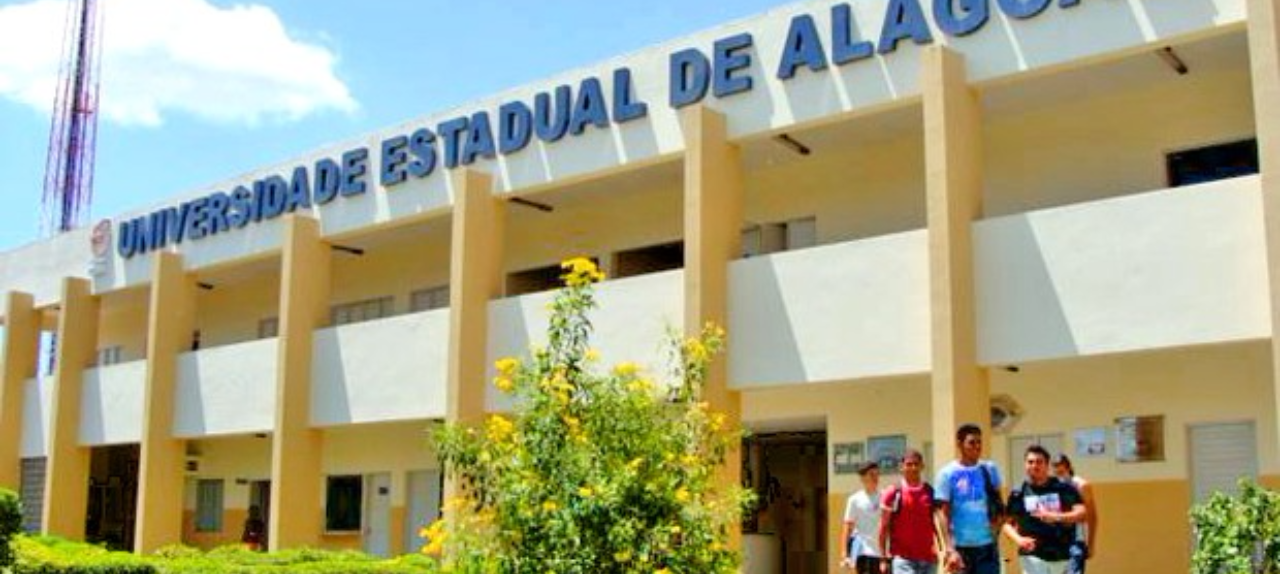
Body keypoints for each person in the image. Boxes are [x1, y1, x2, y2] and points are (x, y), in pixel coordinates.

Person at [1003, 446, 1086, 574]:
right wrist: (1018, 539)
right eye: (1030, 462)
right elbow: (1006, 523)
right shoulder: (1018, 493)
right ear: (1025, 465)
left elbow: (1081, 512)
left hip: (1062, 555)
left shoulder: (1063, 488)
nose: (1034, 465)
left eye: (1039, 462)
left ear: (1047, 465)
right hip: (1032, 556)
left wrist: (1056, 517)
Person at [935, 423, 1004, 574]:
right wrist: (949, 548)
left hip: (988, 547)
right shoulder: (947, 474)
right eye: (972, 442)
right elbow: (942, 513)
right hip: (960, 548)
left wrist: (997, 528)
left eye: (979, 442)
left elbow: (999, 502)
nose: (977, 446)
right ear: (959, 444)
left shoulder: (989, 469)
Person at [878, 450, 939, 574]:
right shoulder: (893, 493)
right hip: (903, 560)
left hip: (928, 560)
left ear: (922, 466)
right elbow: (883, 527)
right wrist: (883, 558)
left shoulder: (930, 491)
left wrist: (941, 549)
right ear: (901, 467)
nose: (913, 468)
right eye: (909, 464)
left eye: (916, 464)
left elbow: (936, 524)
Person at [1053, 454, 1097, 574]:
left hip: (1077, 540)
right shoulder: (1054, 486)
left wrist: (1091, 543)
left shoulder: (1081, 485)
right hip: (1058, 541)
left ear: (1069, 468)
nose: (1060, 475)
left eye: (1062, 471)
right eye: (1057, 473)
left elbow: (1092, 515)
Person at [841, 461, 886, 574]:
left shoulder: (885, 496)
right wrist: (844, 552)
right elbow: (847, 526)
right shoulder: (854, 500)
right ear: (862, 478)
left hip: (882, 553)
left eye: (877, 474)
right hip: (864, 552)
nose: (875, 477)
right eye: (871, 474)